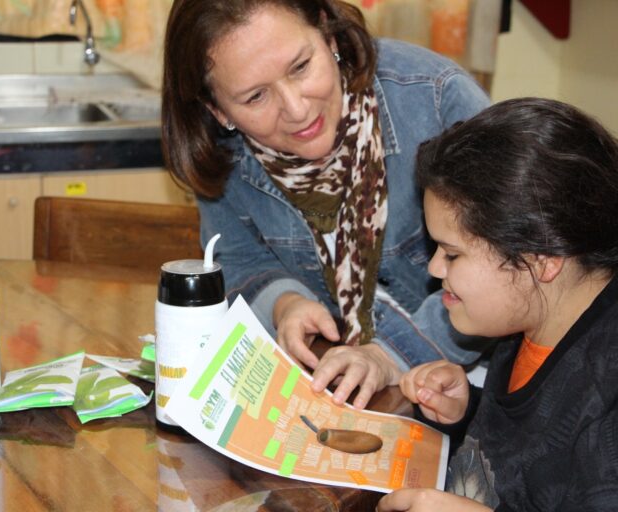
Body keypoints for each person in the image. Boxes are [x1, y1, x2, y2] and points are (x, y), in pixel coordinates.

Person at [161, 0, 491, 408]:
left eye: (301, 67)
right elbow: (239, 259)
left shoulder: (436, 100)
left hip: (477, 390)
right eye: (256, 97)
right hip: (353, 395)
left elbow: (499, 266)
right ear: (217, 110)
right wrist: (286, 304)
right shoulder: (220, 153)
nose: (297, 109)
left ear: (328, 34)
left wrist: (390, 354)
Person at [376, 97, 618, 511]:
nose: (435, 268)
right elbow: (529, 460)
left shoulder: (605, 395)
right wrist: (467, 412)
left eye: (452, 254)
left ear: (540, 261)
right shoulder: (530, 315)